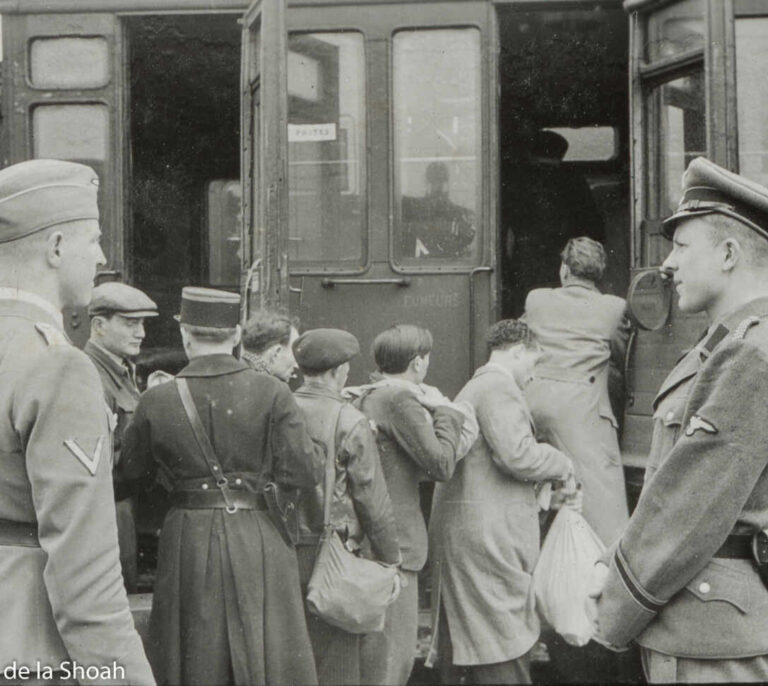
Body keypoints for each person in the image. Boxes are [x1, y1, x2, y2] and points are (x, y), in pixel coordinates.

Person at [591, 157, 768, 683]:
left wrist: (610, 604)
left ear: (729, 254)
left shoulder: (750, 355)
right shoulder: (727, 346)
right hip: (707, 622)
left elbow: (688, 507)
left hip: (711, 642)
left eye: (682, 247)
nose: (667, 265)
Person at [120, 287, 325, 686]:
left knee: (192, 651)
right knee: (269, 652)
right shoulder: (274, 392)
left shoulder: (156, 399)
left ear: (185, 336)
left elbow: (131, 477)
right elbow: (303, 472)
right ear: (235, 337)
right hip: (259, 534)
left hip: (187, 535)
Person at [0, 159, 154, 684]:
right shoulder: (57, 365)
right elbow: (84, 580)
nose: (103, 257)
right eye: (95, 241)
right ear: (57, 247)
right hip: (25, 642)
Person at [426, 319, 574, 685]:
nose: (533, 375)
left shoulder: (478, 387)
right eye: (533, 364)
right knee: (501, 648)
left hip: (470, 535)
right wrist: (562, 462)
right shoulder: (498, 388)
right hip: (488, 541)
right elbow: (518, 455)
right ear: (518, 352)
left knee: (470, 647)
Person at [346, 324, 474, 686]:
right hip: (396, 545)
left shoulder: (370, 395)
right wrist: (447, 412)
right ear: (417, 363)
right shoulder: (400, 401)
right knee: (393, 660)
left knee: (377, 656)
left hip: (375, 540)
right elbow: (442, 464)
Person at [291, 328, 402, 685]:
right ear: (338, 371)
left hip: (281, 550)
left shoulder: (281, 408)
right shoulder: (349, 420)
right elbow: (373, 501)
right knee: (336, 662)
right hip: (332, 554)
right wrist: (390, 561)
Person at [523, 236, 630, 547]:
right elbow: (622, 358)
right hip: (580, 411)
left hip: (532, 404)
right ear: (599, 274)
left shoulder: (537, 299)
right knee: (604, 504)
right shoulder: (613, 308)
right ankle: (605, 566)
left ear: (564, 269)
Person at [85, 281, 159, 592]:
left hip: (125, 514)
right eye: (130, 323)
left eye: (142, 323)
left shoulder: (120, 371)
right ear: (99, 326)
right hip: (108, 515)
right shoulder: (90, 376)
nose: (141, 333)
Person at [401, 161, 476, 258]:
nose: (437, 186)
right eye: (434, 181)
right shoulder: (411, 207)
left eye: (440, 180)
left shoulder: (461, 214)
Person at [241, 308, 300, 381]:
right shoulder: (273, 389)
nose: (296, 365)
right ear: (276, 353)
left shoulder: (231, 377)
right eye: (294, 352)